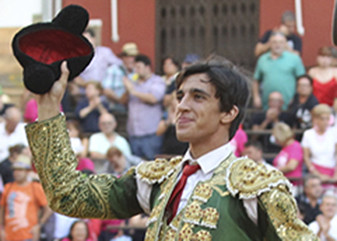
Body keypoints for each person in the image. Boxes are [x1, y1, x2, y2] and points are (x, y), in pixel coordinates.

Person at [25, 58, 317, 240]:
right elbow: (68, 195)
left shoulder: (258, 188)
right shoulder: (157, 179)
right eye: (180, 96)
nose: (182, 105)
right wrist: (49, 107)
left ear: (228, 113)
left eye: (198, 97)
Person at [122, 54, 166, 160]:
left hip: (150, 133)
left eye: (138, 67)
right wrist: (128, 89)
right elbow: (123, 101)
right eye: (135, 68)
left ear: (147, 67)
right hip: (133, 133)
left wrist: (133, 90)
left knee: (152, 165)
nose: (136, 70)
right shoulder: (134, 82)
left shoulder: (157, 81)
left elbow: (154, 98)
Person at [0, 160, 52, 241]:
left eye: (20, 170)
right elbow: (2, 209)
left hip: (28, 234)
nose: (17, 173)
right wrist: (1, 228)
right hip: (9, 235)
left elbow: (49, 208)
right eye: (15, 170)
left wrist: (39, 225)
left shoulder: (35, 187)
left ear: (27, 171)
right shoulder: (8, 187)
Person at [253, 32, 306, 110]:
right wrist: (256, 97)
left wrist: (297, 98)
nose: (278, 45)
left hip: (289, 103)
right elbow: (256, 80)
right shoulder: (262, 59)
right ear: (270, 44)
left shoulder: (294, 59)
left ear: (285, 44)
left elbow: (302, 79)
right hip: (267, 104)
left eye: (281, 42)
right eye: (274, 42)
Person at [301, 104, 337, 183]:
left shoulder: (334, 133)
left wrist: (336, 175)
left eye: (327, 119)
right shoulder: (308, 134)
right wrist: (317, 175)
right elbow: (306, 157)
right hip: (315, 173)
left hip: (333, 172)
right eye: (322, 119)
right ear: (315, 119)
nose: (325, 122)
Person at [102, 42, 139, 113]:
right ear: (123, 57)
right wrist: (121, 100)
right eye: (129, 57)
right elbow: (106, 90)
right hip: (116, 107)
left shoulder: (138, 71)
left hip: (134, 107)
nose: (131, 60)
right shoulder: (113, 70)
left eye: (134, 57)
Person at [272, 122, 303, 191]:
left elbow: (291, 166)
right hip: (283, 184)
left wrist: (274, 171)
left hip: (292, 185)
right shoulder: (285, 148)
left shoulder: (295, 146)